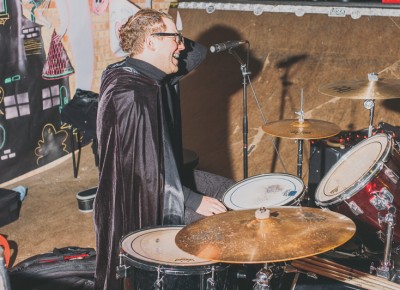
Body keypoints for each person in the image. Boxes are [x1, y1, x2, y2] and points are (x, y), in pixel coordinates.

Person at [94, 9, 235, 290]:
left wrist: (165, 30)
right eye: (177, 39)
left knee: (232, 191)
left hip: (163, 180)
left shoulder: (138, 72)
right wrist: (194, 200)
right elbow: (145, 173)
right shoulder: (134, 94)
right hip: (147, 200)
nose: (182, 46)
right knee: (227, 221)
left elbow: (200, 53)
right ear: (150, 42)